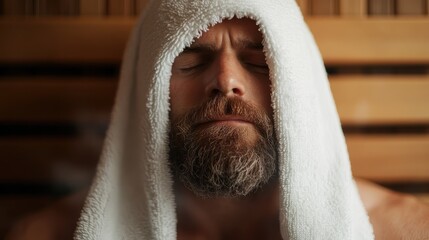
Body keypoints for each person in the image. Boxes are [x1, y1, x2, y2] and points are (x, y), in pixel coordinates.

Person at [7, 1, 429, 240]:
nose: (226, 81)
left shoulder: (408, 231)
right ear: (147, 90)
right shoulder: (44, 236)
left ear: (300, 87)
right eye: (191, 61)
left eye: (257, 62)